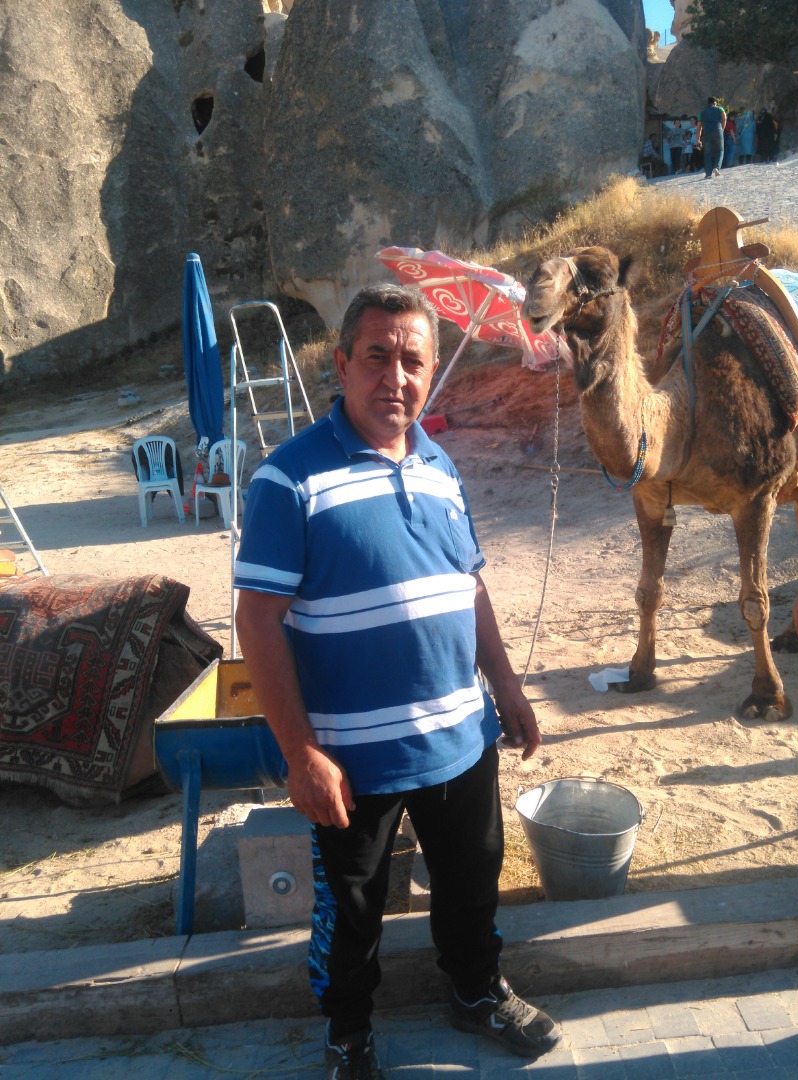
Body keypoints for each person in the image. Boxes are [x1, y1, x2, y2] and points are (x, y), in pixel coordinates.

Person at [234, 283, 561, 1080]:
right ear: (342, 364)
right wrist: (301, 754)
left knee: (472, 883)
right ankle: (349, 1035)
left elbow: (469, 586)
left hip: (460, 736)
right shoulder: (288, 479)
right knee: (352, 909)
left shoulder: (440, 466)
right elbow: (258, 623)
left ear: (430, 369)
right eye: (376, 356)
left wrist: (507, 688)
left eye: (413, 360)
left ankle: (476, 992)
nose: (396, 377)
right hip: (352, 757)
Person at [697, 96, 726, 178]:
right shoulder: (720, 109)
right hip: (718, 130)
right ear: (715, 102)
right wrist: (722, 128)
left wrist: (698, 140)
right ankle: (716, 167)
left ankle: (708, 174)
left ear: (708, 103)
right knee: (720, 150)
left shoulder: (701, 113)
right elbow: (724, 118)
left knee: (707, 153)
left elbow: (699, 128)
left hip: (706, 132)